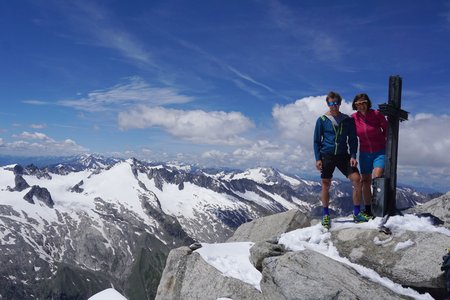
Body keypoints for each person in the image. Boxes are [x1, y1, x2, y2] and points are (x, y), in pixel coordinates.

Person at [313, 91, 370, 229]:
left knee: (357, 179)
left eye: (336, 103)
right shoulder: (321, 120)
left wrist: (353, 156)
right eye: (331, 103)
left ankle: (356, 213)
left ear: (339, 103)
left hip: (344, 155)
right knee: (326, 183)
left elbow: (352, 139)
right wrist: (318, 159)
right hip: (327, 155)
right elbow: (316, 141)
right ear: (328, 103)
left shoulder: (347, 120)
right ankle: (325, 215)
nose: (334, 106)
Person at [351, 93, 388, 217]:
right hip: (365, 153)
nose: (361, 106)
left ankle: (378, 207)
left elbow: (387, 129)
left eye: (363, 102)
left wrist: (384, 141)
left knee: (377, 178)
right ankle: (368, 209)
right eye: (358, 103)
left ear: (367, 103)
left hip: (379, 151)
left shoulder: (376, 114)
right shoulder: (354, 118)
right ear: (355, 105)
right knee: (365, 180)